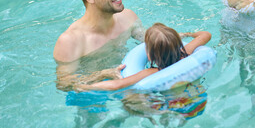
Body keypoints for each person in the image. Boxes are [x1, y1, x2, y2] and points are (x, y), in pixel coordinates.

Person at [53, 0, 145, 91]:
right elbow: (63, 83)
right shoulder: (70, 41)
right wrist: (101, 74)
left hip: (126, 82)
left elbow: (149, 40)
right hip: (93, 96)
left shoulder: (128, 17)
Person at [74, 23, 211, 91]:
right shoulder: (185, 52)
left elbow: (117, 84)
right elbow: (206, 35)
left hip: (174, 105)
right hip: (196, 97)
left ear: (149, 56)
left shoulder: (151, 72)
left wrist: (85, 87)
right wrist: (187, 34)